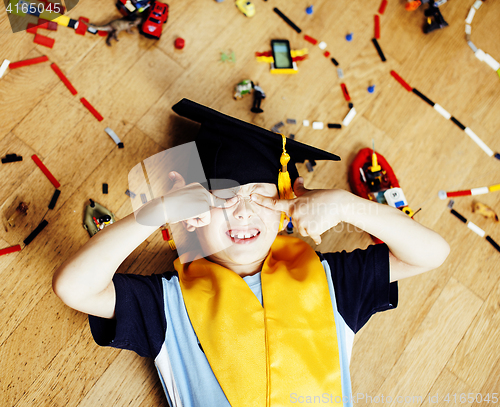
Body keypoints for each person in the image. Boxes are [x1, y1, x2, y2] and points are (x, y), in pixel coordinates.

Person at [52, 99, 450, 407]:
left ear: (287, 209)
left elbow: (431, 253)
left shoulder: (332, 281)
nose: (243, 209)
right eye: (224, 196)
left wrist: (346, 205)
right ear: (190, 213)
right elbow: (75, 287)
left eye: (262, 196)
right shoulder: (167, 305)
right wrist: (159, 211)